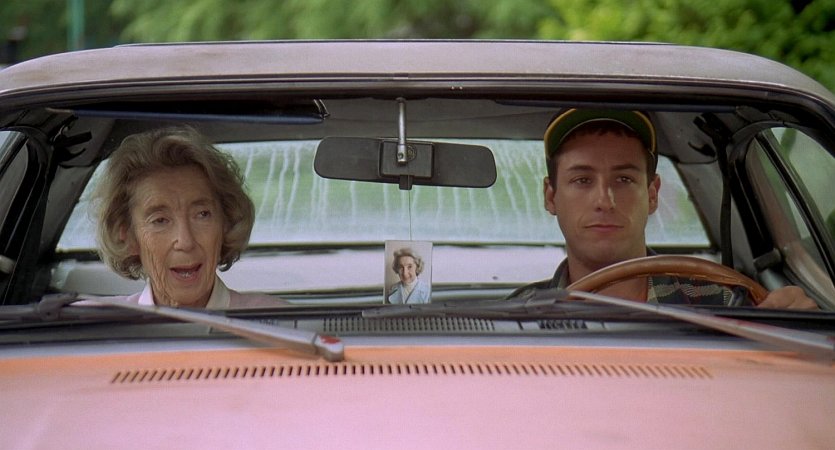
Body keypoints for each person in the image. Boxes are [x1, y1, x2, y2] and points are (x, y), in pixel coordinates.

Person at [531, 108, 817, 309]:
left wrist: (800, 327)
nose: (605, 201)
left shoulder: (725, 305)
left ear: (652, 194)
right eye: (582, 180)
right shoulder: (518, 317)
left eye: (624, 179)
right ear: (551, 197)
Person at [93, 126, 284, 309]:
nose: (185, 242)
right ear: (127, 236)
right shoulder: (92, 324)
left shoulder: (279, 323)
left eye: (202, 215)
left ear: (225, 223)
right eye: (160, 220)